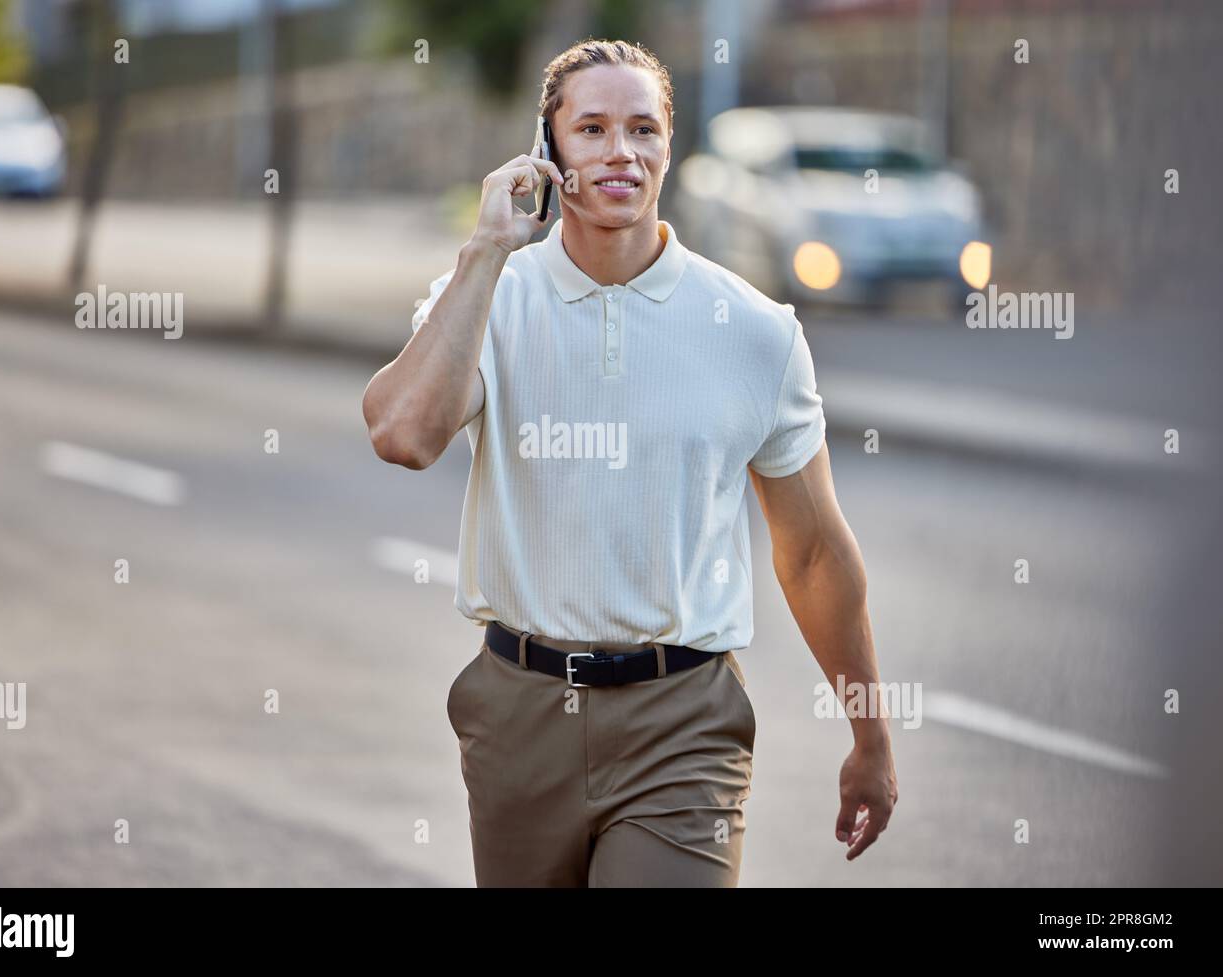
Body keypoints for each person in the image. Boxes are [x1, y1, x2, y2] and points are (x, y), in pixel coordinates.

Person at [362, 38, 897, 887]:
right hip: (519, 711)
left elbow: (814, 553)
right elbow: (402, 434)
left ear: (670, 148)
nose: (621, 152)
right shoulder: (488, 301)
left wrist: (870, 734)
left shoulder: (755, 331)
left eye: (643, 129)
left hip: (683, 720)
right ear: (549, 154)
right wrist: (485, 253)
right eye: (593, 129)